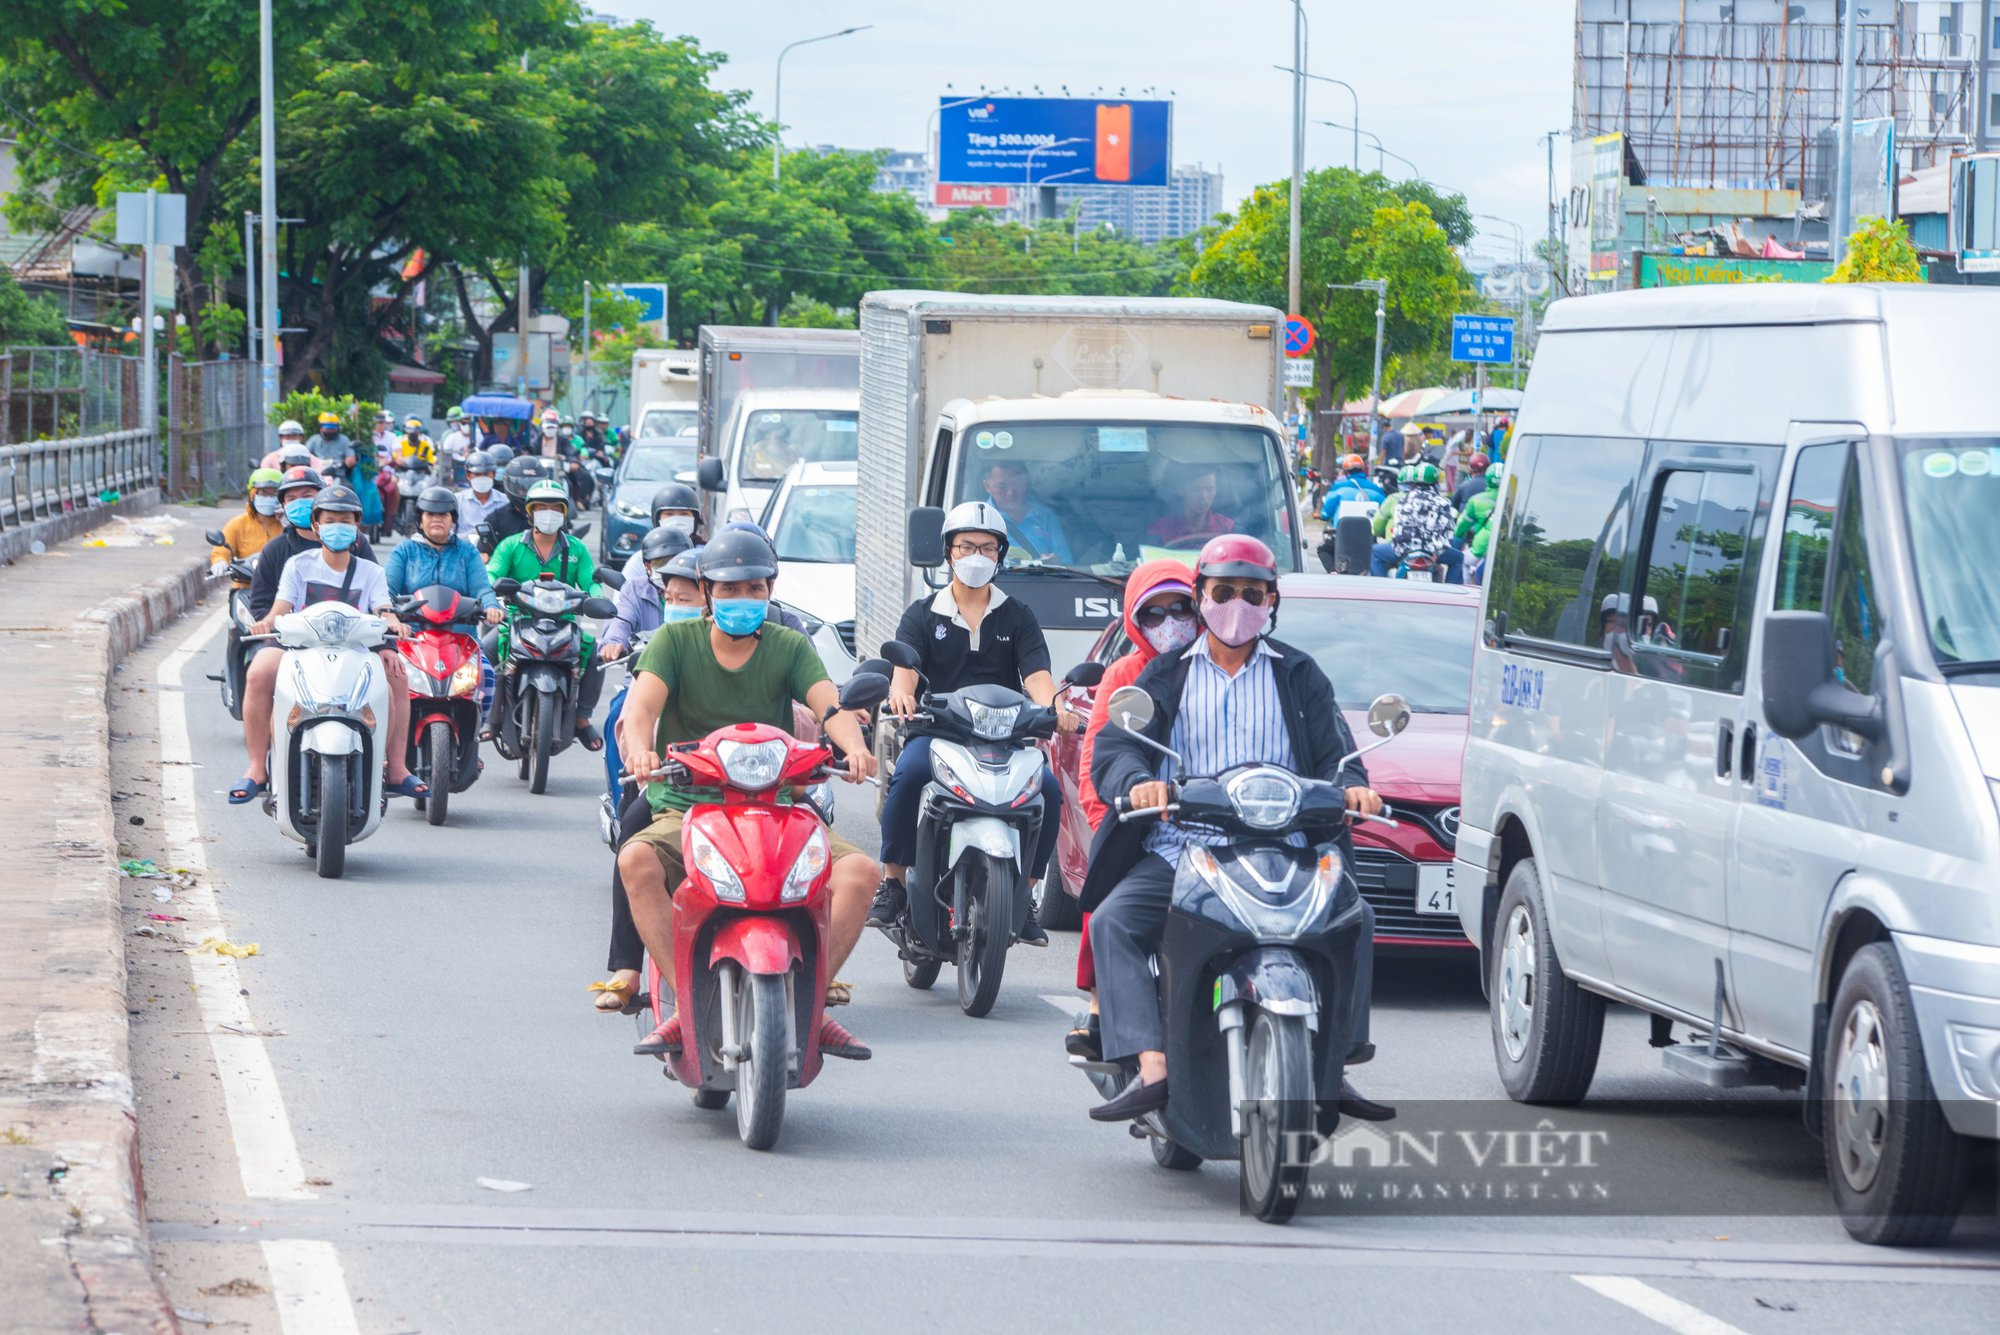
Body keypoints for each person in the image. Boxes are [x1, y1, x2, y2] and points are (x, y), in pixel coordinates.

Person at [1080, 533, 1391, 1123]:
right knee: (1115, 921)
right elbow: (1117, 751)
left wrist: (1354, 788)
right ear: (1200, 596)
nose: (1238, 604)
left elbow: (1337, 755)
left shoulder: (1300, 675)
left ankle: (1336, 1063)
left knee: (1357, 916)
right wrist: (1137, 784)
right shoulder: (1164, 676)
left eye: (1254, 593)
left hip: (1288, 850)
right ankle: (1151, 1066)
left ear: (1273, 601)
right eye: (1224, 591)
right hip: (1183, 851)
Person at [617, 529, 878, 1058]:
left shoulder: (789, 646)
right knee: (636, 861)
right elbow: (641, 709)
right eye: (729, 590)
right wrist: (642, 751)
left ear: (770, 591)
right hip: (688, 806)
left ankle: (810, 1005)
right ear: (707, 593)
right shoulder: (675, 642)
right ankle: (685, 1007)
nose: (743, 600)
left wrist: (853, 747)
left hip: (776, 806)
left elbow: (831, 708)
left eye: (755, 589)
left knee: (861, 872)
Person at [865, 501, 1079, 945]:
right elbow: (905, 672)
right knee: (907, 776)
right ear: (948, 553)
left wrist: (1055, 709)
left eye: (987, 547)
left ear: (1000, 554)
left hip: (1005, 738)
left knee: (1050, 791)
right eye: (966, 546)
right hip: (939, 733)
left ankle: (1026, 896)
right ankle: (893, 885)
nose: (976, 556)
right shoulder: (922, 614)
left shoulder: (1018, 615)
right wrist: (901, 694)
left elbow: (1037, 677)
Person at [1065, 560, 1200, 1061]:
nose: (1171, 622)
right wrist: (1117, 819)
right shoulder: (1127, 676)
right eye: (1155, 612)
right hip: (1145, 826)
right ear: (1134, 621)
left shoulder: (1245, 669)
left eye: (1182, 608)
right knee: (1107, 898)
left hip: (1227, 831)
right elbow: (1102, 756)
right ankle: (1103, 1013)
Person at [231, 485, 424, 804]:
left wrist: (393, 623)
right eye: (331, 520)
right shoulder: (298, 565)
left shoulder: (371, 571)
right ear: (317, 526)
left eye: (345, 520)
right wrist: (267, 622)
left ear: (357, 526)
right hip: (301, 649)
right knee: (258, 672)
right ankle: (256, 768)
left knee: (396, 680)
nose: (338, 526)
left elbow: (383, 608)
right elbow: (281, 606)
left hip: (355, 651)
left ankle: (395, 767)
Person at [484, 478, 607, 749]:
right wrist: (491, 599)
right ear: (530, 512)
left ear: (564, 513)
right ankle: (489, 716)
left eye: (555, 508)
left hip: (564, 621)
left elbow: (590, 581)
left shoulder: (576, 548)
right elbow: (492, 573)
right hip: (517, 619)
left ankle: (583, 718)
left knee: (596, 651)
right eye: (541, 507)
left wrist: (597, 597)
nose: (548, 513)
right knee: (483, 651)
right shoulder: (511, 545)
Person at [246, 467, 383, 620]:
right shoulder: (278, 553)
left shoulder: (353, 541)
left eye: (306, 496)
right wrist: (277, 627)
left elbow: (376, 598)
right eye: (292, 499)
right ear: (283, 506)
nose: (299, 503)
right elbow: (261, 606)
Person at [385, 486, 503, 625]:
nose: (437, 519)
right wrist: (387, 613)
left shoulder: (468, 551)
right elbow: (387, 590)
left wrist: (491, 607)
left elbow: (482, 588)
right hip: (414, 636)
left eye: (443, 515)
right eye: (430, 514)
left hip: (461, 636)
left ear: (453, 520)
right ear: (420, 521)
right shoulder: (404, 551)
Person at [1371, 462, 1463, 583]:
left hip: (1403, 550)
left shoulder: (1402, 500)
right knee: (1458, 558)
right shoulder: (1443, 502)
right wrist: (1438, 553)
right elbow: (1448, 533)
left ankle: (1379, 589)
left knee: (1375, 551)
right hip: (1433, 552)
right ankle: (1453, 596)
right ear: (1435, 482)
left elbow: (1398, 528)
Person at [979, 457, 1073, 564]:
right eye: (1002, 486)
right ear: (987, 486)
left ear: (1026, 482)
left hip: (1040, 580)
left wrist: (1055, 564)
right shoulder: (979, 519)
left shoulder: (1045, 517)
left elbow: (1067, 564)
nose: (1010, 493)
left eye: (1016, 484)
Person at [615, 483, 705, 587]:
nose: (676, 520)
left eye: (683, 514)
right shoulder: (641, 559)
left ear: (695, 519)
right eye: (669, 514)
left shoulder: (704, 555)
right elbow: (624, 596)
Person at [211, 468, 287, 585]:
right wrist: (220, 562)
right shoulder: (238, 524)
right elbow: (222, 550)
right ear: (252, 495)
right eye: (263, 493)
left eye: (274, 494)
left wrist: (288, 524)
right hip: (245, 587)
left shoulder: (289, 525)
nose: (269, 498)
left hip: (283, 589)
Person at [1144, 463, 1235, 547]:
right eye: (1196, 489)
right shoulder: (1159, 530)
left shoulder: (1229, 528)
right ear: (1181, 490)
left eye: (1209, 489)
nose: (1203, 496)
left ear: (1216, 491)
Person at [1454, 460, 1502, 580]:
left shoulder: (1476, 500)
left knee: (1462, 561)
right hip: (1509, 549)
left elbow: (1461, 526)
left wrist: (1456, 540)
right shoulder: (1517, 500)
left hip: (1482, 547)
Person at [455, 449, 508, 538]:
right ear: (468, 476)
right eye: (477, 474)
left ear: (494, 474)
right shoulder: (457, 501)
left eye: (486, 474)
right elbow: (449, 534)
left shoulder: (505, 501)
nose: (482, 478)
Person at [1319, 453, 1385, 521]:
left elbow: (1326, 514)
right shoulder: (1377, 490)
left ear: (1346, 472)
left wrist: (1323, 515)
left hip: (1342, 530)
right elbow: (1384, 512)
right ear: (1362, 469)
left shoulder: (1337, 488)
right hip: (1368, 530)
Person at [312, 412, 356, 482]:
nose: (330, 430)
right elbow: (306, 455)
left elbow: (351, 459)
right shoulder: (314, 440)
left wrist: (345, 463)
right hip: (318, 476)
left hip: (338, 476)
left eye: (333, 427)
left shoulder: (344, 440)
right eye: (327, 427)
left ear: (337, 427)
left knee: (347, 489)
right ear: (320, 428)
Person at [439, 407, 474, 486]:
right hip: (453, 468)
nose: (454, 424)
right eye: (452, 422)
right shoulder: (449, 436)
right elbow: (444, 456)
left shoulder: (476, 435)